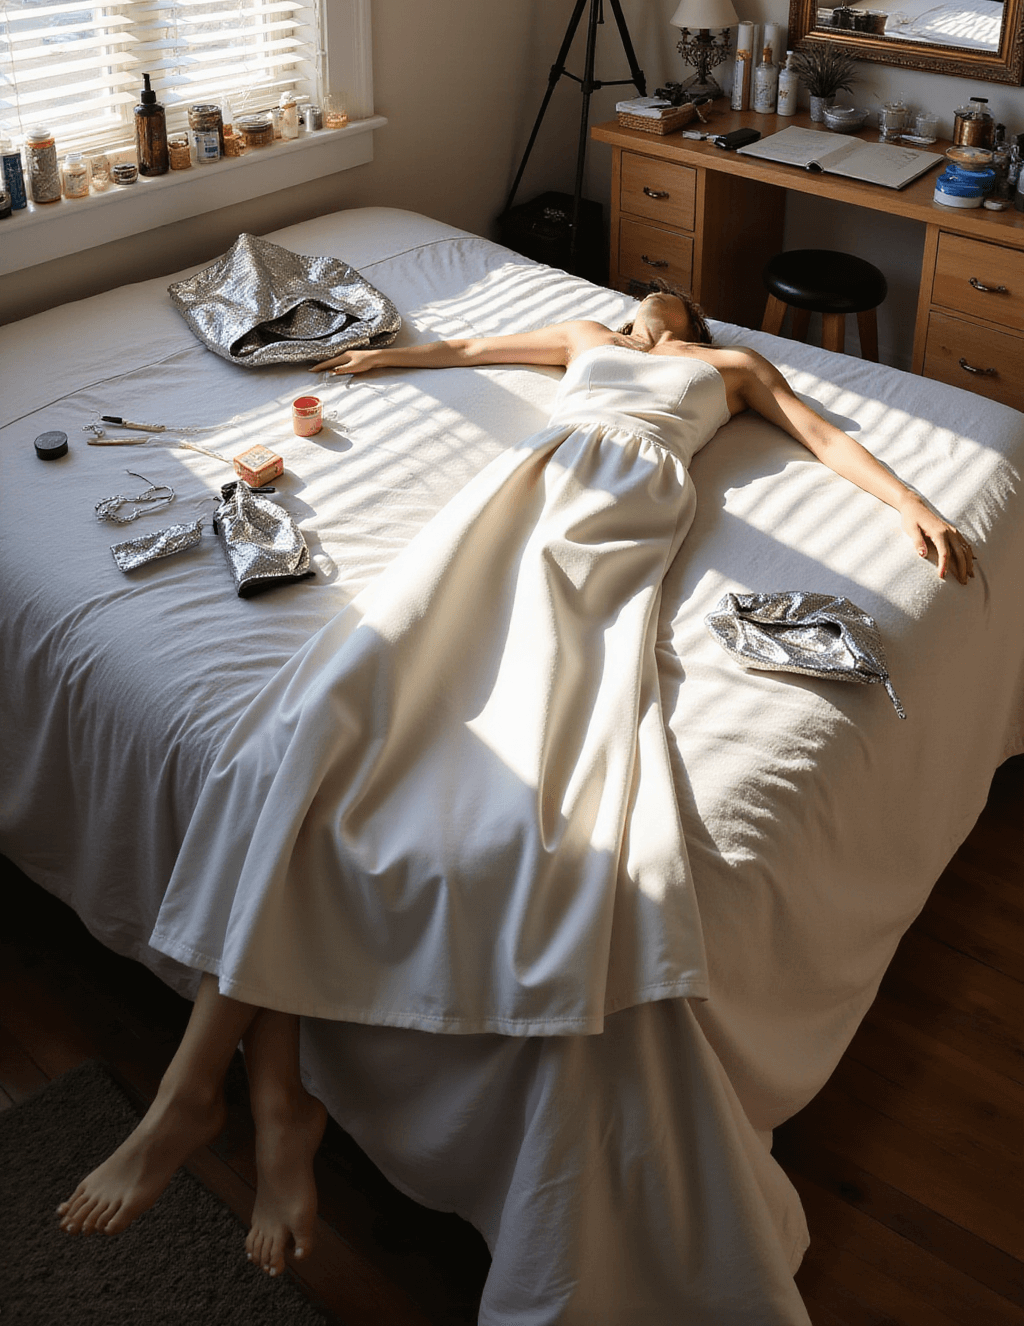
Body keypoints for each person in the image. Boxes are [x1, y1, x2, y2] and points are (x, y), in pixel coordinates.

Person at [57, 290, 973, 1275]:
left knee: (520, 688)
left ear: (691, 324)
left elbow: (822, 436)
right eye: (630, 306)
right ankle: (255, 1101)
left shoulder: (726, 370)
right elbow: (480, 343)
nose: (635, 310)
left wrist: (914, 505)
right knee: (335, 708)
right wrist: (391, 363)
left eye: (657, 303)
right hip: (519, 483)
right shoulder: (586, 340)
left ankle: (211, 1096)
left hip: (624, 500)